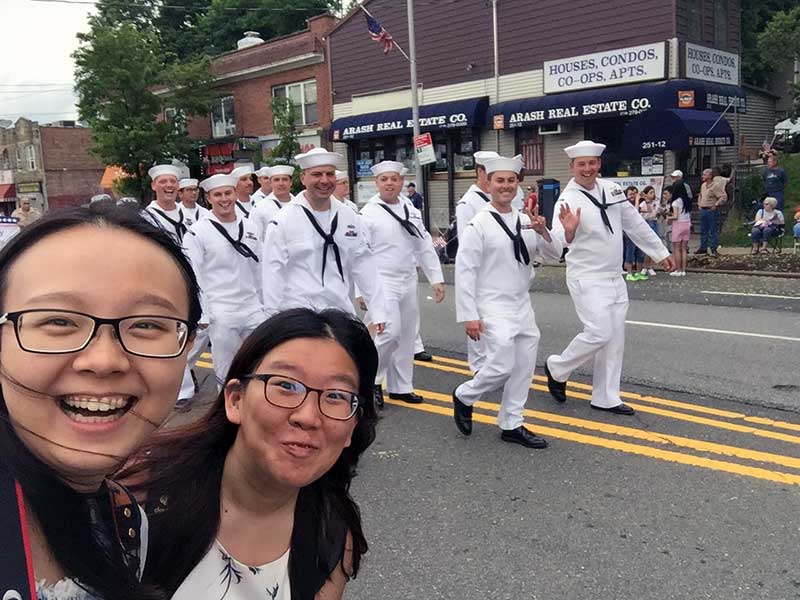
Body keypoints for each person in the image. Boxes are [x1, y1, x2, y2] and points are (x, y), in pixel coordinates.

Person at [0, 205, 200, 600]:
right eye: (58, 321)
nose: (104, 361)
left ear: (187, 347)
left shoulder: (126, 520)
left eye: (146, 324)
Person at [127, 308, 378, 600]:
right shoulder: (141, 495)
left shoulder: (330, 537)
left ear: (351, 428)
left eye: (336, 396)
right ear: (236, 400)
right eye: (286, 385)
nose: (308, 416)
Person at [545, 140, 674, 415]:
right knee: (599, 332)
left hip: (615, 275)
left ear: (599, 164)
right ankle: (557, 367)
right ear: (572, 167)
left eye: (592, 163)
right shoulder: (567, 200)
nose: (588, 169)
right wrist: (568, 232)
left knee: (614, 338)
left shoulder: (613, 190)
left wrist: (661, 252)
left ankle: (606, 396)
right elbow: (556, 243)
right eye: (582, 164)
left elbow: (635, 224)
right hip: (587, 276)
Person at [453, 155, 562, 448]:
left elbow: (553, 255)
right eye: (499, 180)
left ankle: (512, 423)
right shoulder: (479, 224)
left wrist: (543, 231)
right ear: (488, 183)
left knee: (524, 365)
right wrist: (469, 315)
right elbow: (465, 271)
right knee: (501, 363)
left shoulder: (527, 221)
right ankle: (466, 394)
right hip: (491, 302)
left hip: (521, 302)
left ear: (517, 184)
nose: (505, 186)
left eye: (511, 181)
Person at [262, 148, 388, 332]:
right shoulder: (283, 220)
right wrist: (272, 318)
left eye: (329, 174)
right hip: (299, 315)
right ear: (303, 178)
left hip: (340, 312)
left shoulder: (349, 216)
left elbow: (363, 263)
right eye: (317, 174)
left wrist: (378, 310)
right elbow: (273, 270)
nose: (324, 180)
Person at [359, 161, 445, 406]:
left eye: (394, 179)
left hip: (408, 278)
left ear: (401, 182)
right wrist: (361, 291)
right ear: (376, 183)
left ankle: (401, 386)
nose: (389, 183)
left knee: (407, 336)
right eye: (384, 179)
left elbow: (423, 244)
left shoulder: (410, 209)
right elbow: (359, 255)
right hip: (381, 281)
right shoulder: (368, 214)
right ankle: (372, 381)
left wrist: (436, 278)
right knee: (389, 334)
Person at [185, 174, 265, 388]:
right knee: (226, 367)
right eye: (217, 195)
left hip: (253, 307)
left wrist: (266, 304)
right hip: (222, 310)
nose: (224, 199)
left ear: (235, 194)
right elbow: (195, 274)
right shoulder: (198, 232)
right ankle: (224, 410)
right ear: (209, 198)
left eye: (228, 193)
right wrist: (203, 312)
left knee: (258, 363)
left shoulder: (250, 227)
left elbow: (260, 269)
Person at [455, 150, 498, 372]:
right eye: (489, 173)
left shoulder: (499, 198)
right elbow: (465, 244)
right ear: (480, 172)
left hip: (499, 269)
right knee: (478, 318)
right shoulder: (468, 204)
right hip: (480, 269)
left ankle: (494, 363)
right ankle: (479, 365)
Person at [144, 164, 191, 243]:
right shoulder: (147, 218)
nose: (169, 185)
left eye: (173, 181)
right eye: (163, 182)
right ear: (153, 186)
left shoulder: (189, 213)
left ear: (178, 185)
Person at [250, 165, 296, 241]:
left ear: (291, 182)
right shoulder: (259, 208)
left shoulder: (300, 205)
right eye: (276, 180)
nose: (281, 183)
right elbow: (255, 240)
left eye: (284, 179)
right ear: (270, 183)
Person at [696, 168, 727, 256]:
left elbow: (723, 196)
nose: (703, 176)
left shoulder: (715, 186)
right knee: (703, 230)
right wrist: (699, 204)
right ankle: (703, 247)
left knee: (712, 230)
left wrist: (716, 204)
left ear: (710, 176)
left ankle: (713, 248)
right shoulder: (703, 185)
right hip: (703, 209)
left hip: (711, 210)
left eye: (704, 175)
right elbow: (701, 195)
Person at [667, 182, 692, 276]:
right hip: (687, 224)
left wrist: (667, 217)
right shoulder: (687, 201)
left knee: (676, 248)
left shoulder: (675, 202)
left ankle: (678, 269)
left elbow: (675, 216)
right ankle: (684, 270)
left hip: (678, 225)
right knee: (684, 248)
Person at [622, 186, 646, 281]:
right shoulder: (625, 205)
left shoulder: (639, 203)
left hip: (639, 231)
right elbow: (635, 214)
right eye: (631, 194)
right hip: (629, 232)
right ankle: (629, 272)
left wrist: (645, 200)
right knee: (630, 252)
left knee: (640, 253)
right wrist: (636, 200)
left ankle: (639, 272)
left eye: (635, 193)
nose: (633, 196)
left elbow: (648, 211)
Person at [637, 185, 660, 277]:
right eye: (650, 192)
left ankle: (650, 266)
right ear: (646, 194)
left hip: (654, 223)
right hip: (646, 224)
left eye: (653, 192)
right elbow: (648, 211)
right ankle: (645, 266)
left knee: (653, 246)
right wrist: (646, 201)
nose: (653, 194)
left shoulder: (655, 202)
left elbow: (655, 212)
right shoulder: (642, 204)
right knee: (646, 247)